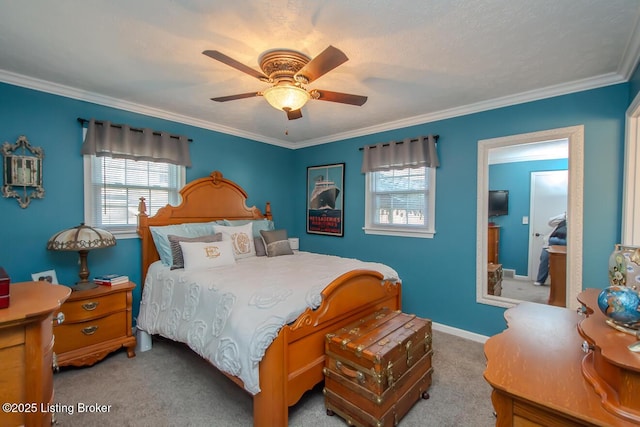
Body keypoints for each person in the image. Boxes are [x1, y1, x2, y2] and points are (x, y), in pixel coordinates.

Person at [534, 212, 567, 286]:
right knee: (544, 260)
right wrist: (565, 215)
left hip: (564, 245)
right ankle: (540, 280)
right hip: (549, 244)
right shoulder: (562, 220)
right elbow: (550, 222)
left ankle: (558, 284)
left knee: (560, 265)